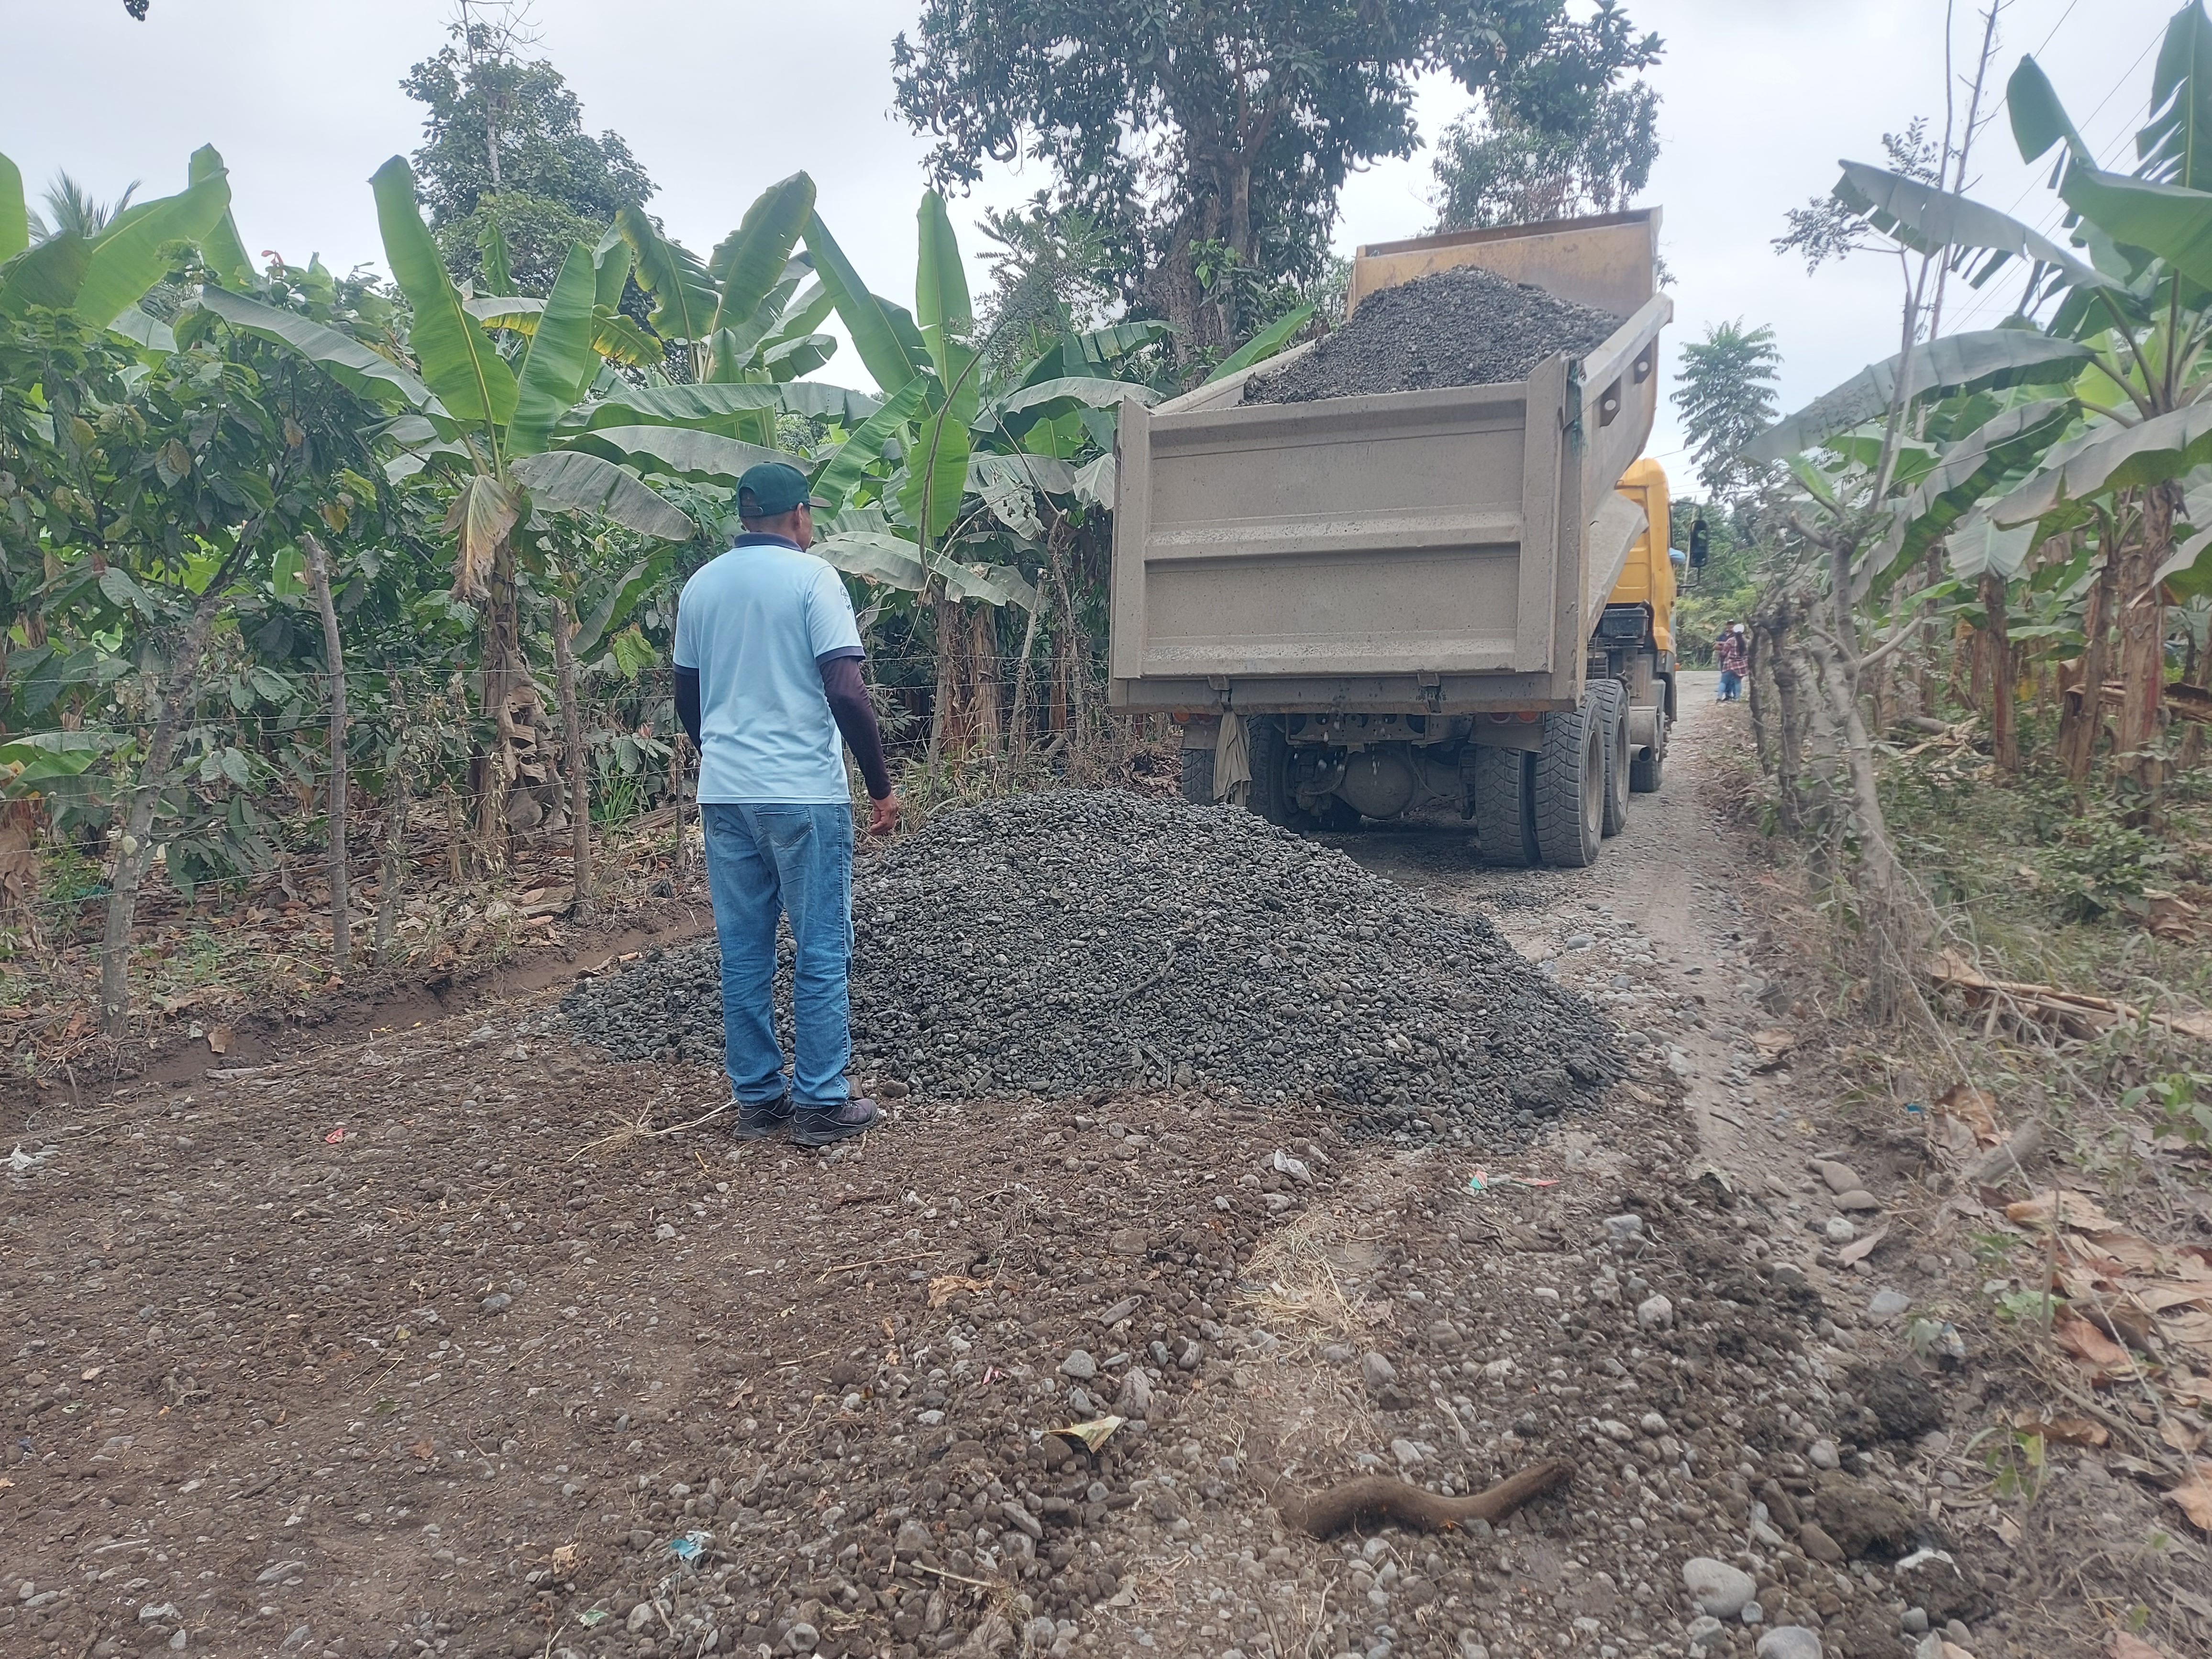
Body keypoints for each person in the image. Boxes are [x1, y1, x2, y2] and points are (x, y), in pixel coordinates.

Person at [673, 461, 901, 1147]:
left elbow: (687, 695)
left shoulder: (702, 585)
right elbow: (845, 689)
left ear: (746, 516)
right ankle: (822, 1102)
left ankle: (758, 1099)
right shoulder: (813, 578)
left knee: (743, 951)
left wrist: (724, 755)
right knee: (821, 945)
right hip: (801, 792)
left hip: (726, 794)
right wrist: (880, 785)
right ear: (799, 515)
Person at [1715, 622, 1748, 703]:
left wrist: (1719, 651)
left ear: (1734, 631)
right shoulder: (1746, 641)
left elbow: (1724, 653)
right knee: (1738, 682)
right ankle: (1737, 699)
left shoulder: (1731, 641)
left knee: (1723, 682)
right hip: (1741, 665)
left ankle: (1719, 698)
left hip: (1730, 664)